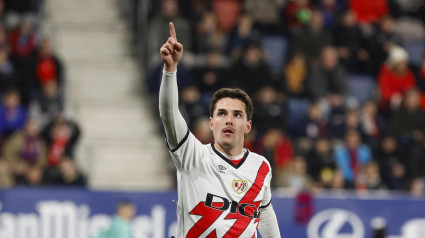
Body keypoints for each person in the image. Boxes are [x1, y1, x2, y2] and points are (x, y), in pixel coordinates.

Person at [159, 22, 281, 237]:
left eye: (237, 115)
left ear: (248, 126)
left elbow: (265, 211)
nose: (229, 120)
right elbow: (169, 114)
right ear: (211, 123)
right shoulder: (193, 156)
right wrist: (170, 71)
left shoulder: (261, 167)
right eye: (222, 114)